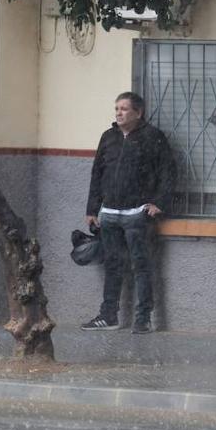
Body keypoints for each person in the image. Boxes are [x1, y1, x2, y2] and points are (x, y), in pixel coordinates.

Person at [81, 92, 175, 334]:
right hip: (109, 213)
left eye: (124, 109)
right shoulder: (108, 137)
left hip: (137, 214)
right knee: (113, 265)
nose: (118, 113)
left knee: (141, 266)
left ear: (138, 112)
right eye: (116, 109)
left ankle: (142, 319)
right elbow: (97, 173)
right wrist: (92, 209)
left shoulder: (153, 137)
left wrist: (159, 203)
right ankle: (108, 316)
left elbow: (168, 172)